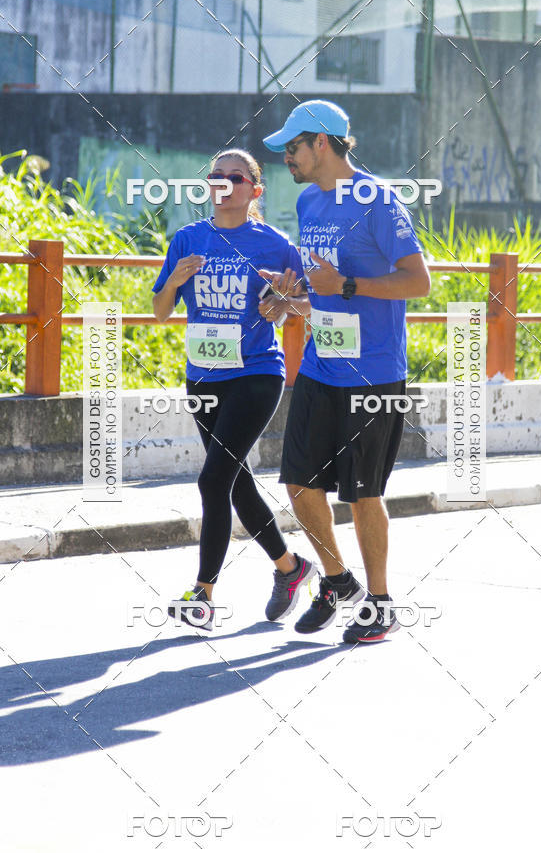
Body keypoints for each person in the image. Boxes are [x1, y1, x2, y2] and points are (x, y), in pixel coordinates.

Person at [260, 100, 431, 643]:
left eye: (293, 147)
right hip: (319, 364)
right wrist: (289, 298)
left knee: (362, 495)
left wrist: (350, 286)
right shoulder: (310, 201)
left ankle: (380, 604)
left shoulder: (378, 201)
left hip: (373, 372)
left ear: (324, 144)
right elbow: (320, 288)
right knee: (297, 483)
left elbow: (418, 282)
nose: (287, 157)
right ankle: (337, 580)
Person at [152, 148, 316, 631]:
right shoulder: (188, 238)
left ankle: (202, 594)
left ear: (255, 190)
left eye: (236, 177)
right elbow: (162, 310)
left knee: (212, 479)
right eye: (216, 175)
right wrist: (176, 280)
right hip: (203, 375)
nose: (224, 183)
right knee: (234, 480)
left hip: (256, 373)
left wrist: (282, 303)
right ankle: (290, 568)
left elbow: (302, 303)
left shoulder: (275, 244)